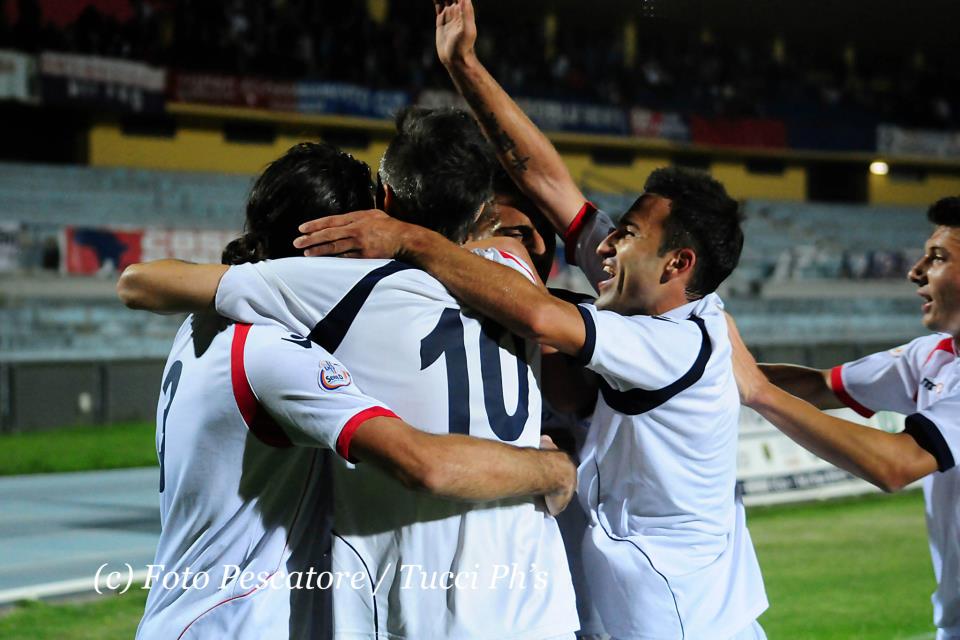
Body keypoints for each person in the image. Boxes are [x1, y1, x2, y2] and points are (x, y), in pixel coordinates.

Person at [290, 3, 769, 639]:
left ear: (676, 264)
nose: (600, 244)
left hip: (678, 620)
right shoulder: (643, 297)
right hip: (607, 608)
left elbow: (542, 315)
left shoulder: (664, 339)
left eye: (623, 233)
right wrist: (463, 65)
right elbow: (544, 178)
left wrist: (408, 238)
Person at [120, 112, 581, 640]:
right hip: (537, 607)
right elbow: (422, 461)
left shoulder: (218, 320)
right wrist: (554, 470)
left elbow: (140, 282)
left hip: (418, 613)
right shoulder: (511, 269)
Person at [728, 196, 960, 640]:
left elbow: (896, 464)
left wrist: (758, 393)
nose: (915, 271)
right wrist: (699, 362)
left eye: (937, 258)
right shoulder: (932, 356)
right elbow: (819, 386)